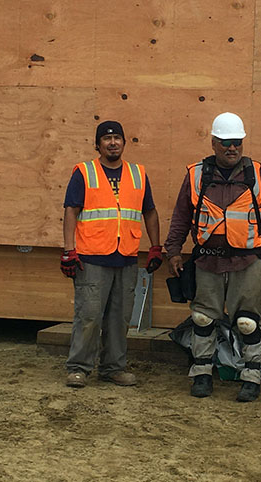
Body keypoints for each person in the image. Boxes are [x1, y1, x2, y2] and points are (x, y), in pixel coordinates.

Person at [164, 112, 261, 402]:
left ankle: (251, 377)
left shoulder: (255, 174)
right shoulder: (197, 175)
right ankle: (201, 374)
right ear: (213, 143)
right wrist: (173, 250)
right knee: (202, 319)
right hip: (207, 261)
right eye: (225, 142)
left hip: (247, 261)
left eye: (237, 142)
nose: (231, 148)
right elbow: (181, 217)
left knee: (248, 322)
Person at [61, 120, 163, 388]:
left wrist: (155, 246)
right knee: (89, 316)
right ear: (98, 145)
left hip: (126, 257)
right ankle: (79, 368)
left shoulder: (138, 174)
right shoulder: (84, 173)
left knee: (119, 318)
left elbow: (149, 211)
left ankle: (113, 368)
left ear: (124, 142)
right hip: (91, 258)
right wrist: (68, 250)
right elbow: (71, 210)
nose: (112, 143)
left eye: (117, 138)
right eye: (106, 139)